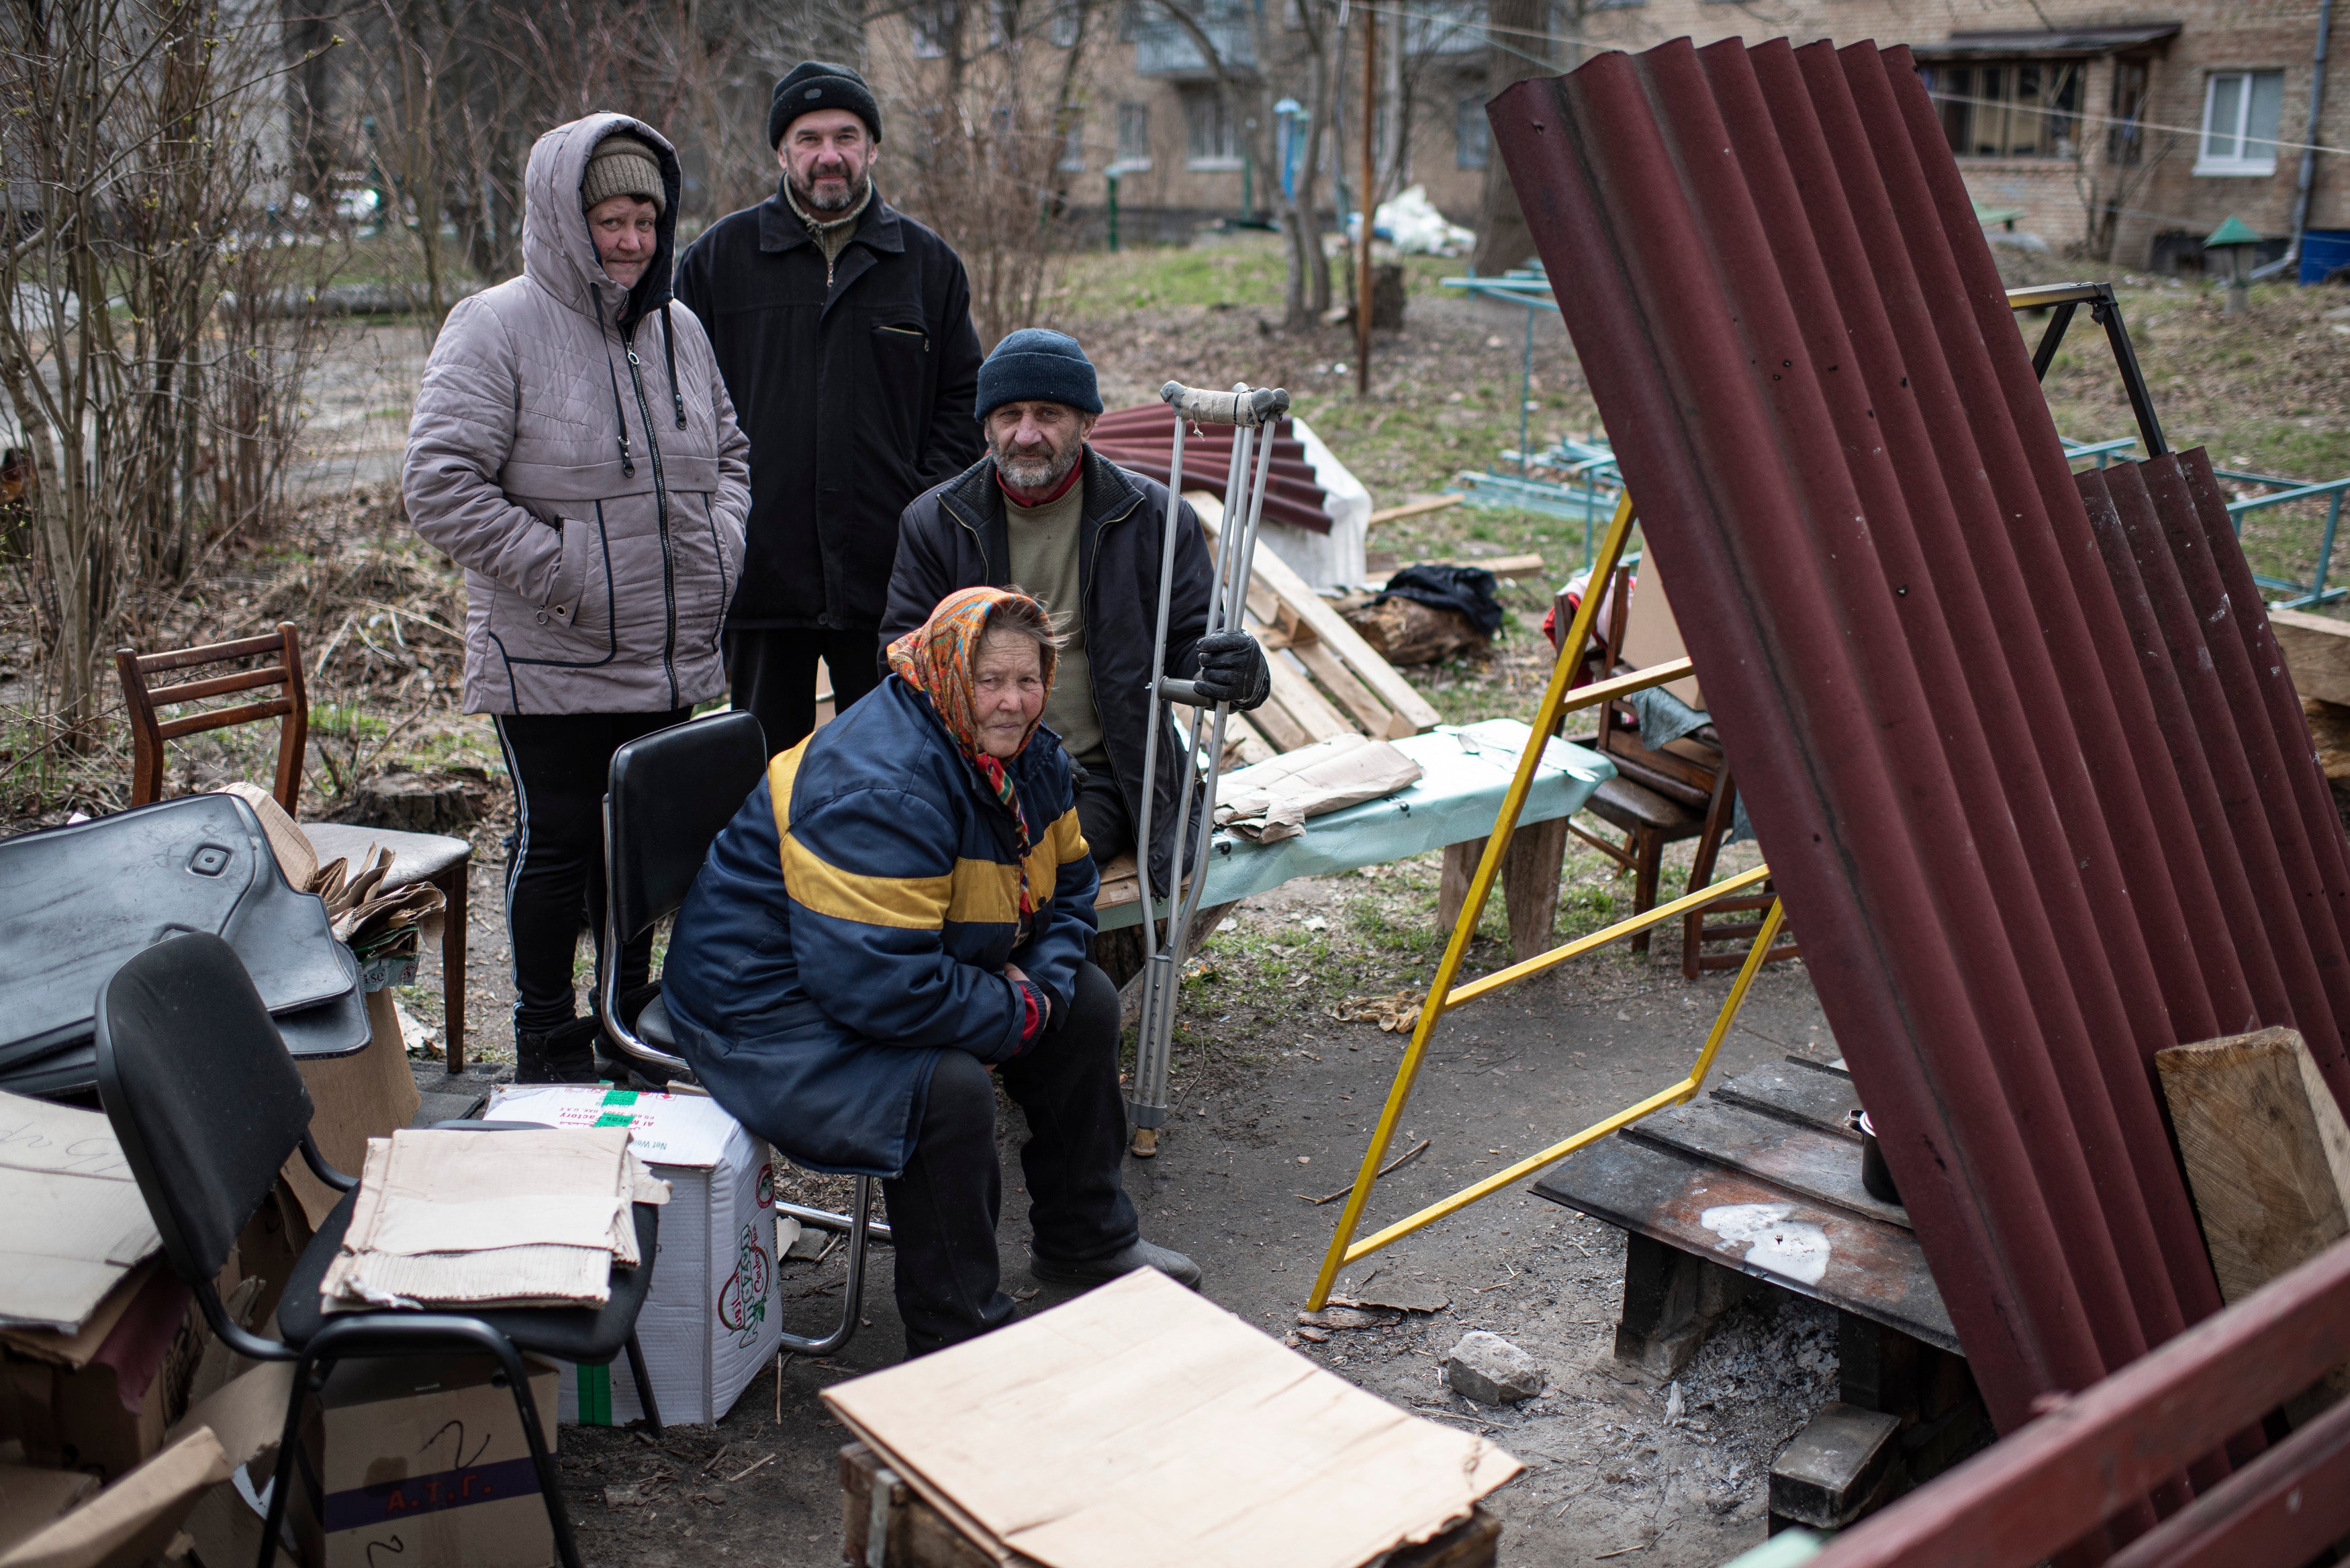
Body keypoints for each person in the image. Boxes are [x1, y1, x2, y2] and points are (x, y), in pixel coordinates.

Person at [661, 587, 1200, 1357]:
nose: (1012, 702)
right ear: (949, 673)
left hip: (900, 957)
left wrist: (1039, 993)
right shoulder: (883, 783)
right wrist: (1012, 1012)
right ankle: (958, 1335)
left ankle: (1087, 1238)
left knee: (1081, 1000)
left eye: (1029, 679)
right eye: (990, 681)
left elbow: (1069, 885)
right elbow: (877, 985)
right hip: (764, 998)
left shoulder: (1025, 756)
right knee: (941, 1088)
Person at [404, 114, 749, 1084]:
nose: (632, 239)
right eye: (610, 218)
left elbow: (730, 456)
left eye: (646, 217)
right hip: (552, 651)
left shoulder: (677, 327)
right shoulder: (496, 323)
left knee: (639, 851)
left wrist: (720, 543)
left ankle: (624, 1026)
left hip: (667, 649)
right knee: (559, 844)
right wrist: (569, 572)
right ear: (565, 218)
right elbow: (438, 481)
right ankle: (549, 1041)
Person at [882, 330, 1271, 891]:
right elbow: (904, 666)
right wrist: (1013, 755)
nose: (1027, 434)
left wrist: (1240, 671)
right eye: (1009, 414)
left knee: (1032, 876)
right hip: (972, 769)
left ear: (1088, 423)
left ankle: (1034, 979)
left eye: (1049, 413)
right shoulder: (936, 522)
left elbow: (1192, 640)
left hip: (1103, 775)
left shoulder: (1153, 518)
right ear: (986, 426)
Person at [675, 60, 984, 756]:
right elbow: (673, 400)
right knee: (759, 772)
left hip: (887, 579)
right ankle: (768, 871)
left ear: (872, 147)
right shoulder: (719, 260)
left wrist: (916, 503)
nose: (828, 155)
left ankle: (880, 870)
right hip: (760, 575)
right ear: (781, 151)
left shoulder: (926, 265)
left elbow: (963, 400)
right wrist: (720, 513)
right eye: (808, 138)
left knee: (890, 764)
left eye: (846, 136)